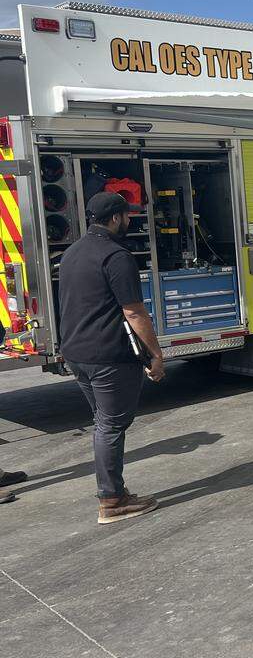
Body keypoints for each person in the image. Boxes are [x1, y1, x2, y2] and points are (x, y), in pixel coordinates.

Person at [59, 191, 164, 524]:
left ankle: (113, 493)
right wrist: (156, 354)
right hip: (107, 355)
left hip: (76, 353)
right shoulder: (116, 256)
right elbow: (133, 312)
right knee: (111, 425)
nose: (129, 220)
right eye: (127, 215)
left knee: (103, 422)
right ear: (117, 217)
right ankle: (112, 500)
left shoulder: (72, 253)